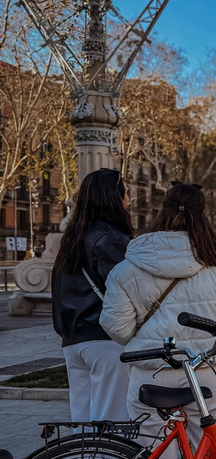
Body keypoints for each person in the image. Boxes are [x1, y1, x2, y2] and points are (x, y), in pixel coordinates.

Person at [100, 182, 216, 459]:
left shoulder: (128, 266)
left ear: (163, 210)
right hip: (205, 373)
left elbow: (117, 328)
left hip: (150, 371)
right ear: (203, 216)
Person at [51, 168, 133, 424]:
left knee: (84, 427)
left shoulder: (73, 238)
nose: (129, 199)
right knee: (112, 425)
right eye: (126, 192)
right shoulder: (110, 239)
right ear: (113, 197)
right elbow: (127, 291)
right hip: (105, 340)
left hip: (73, 341)